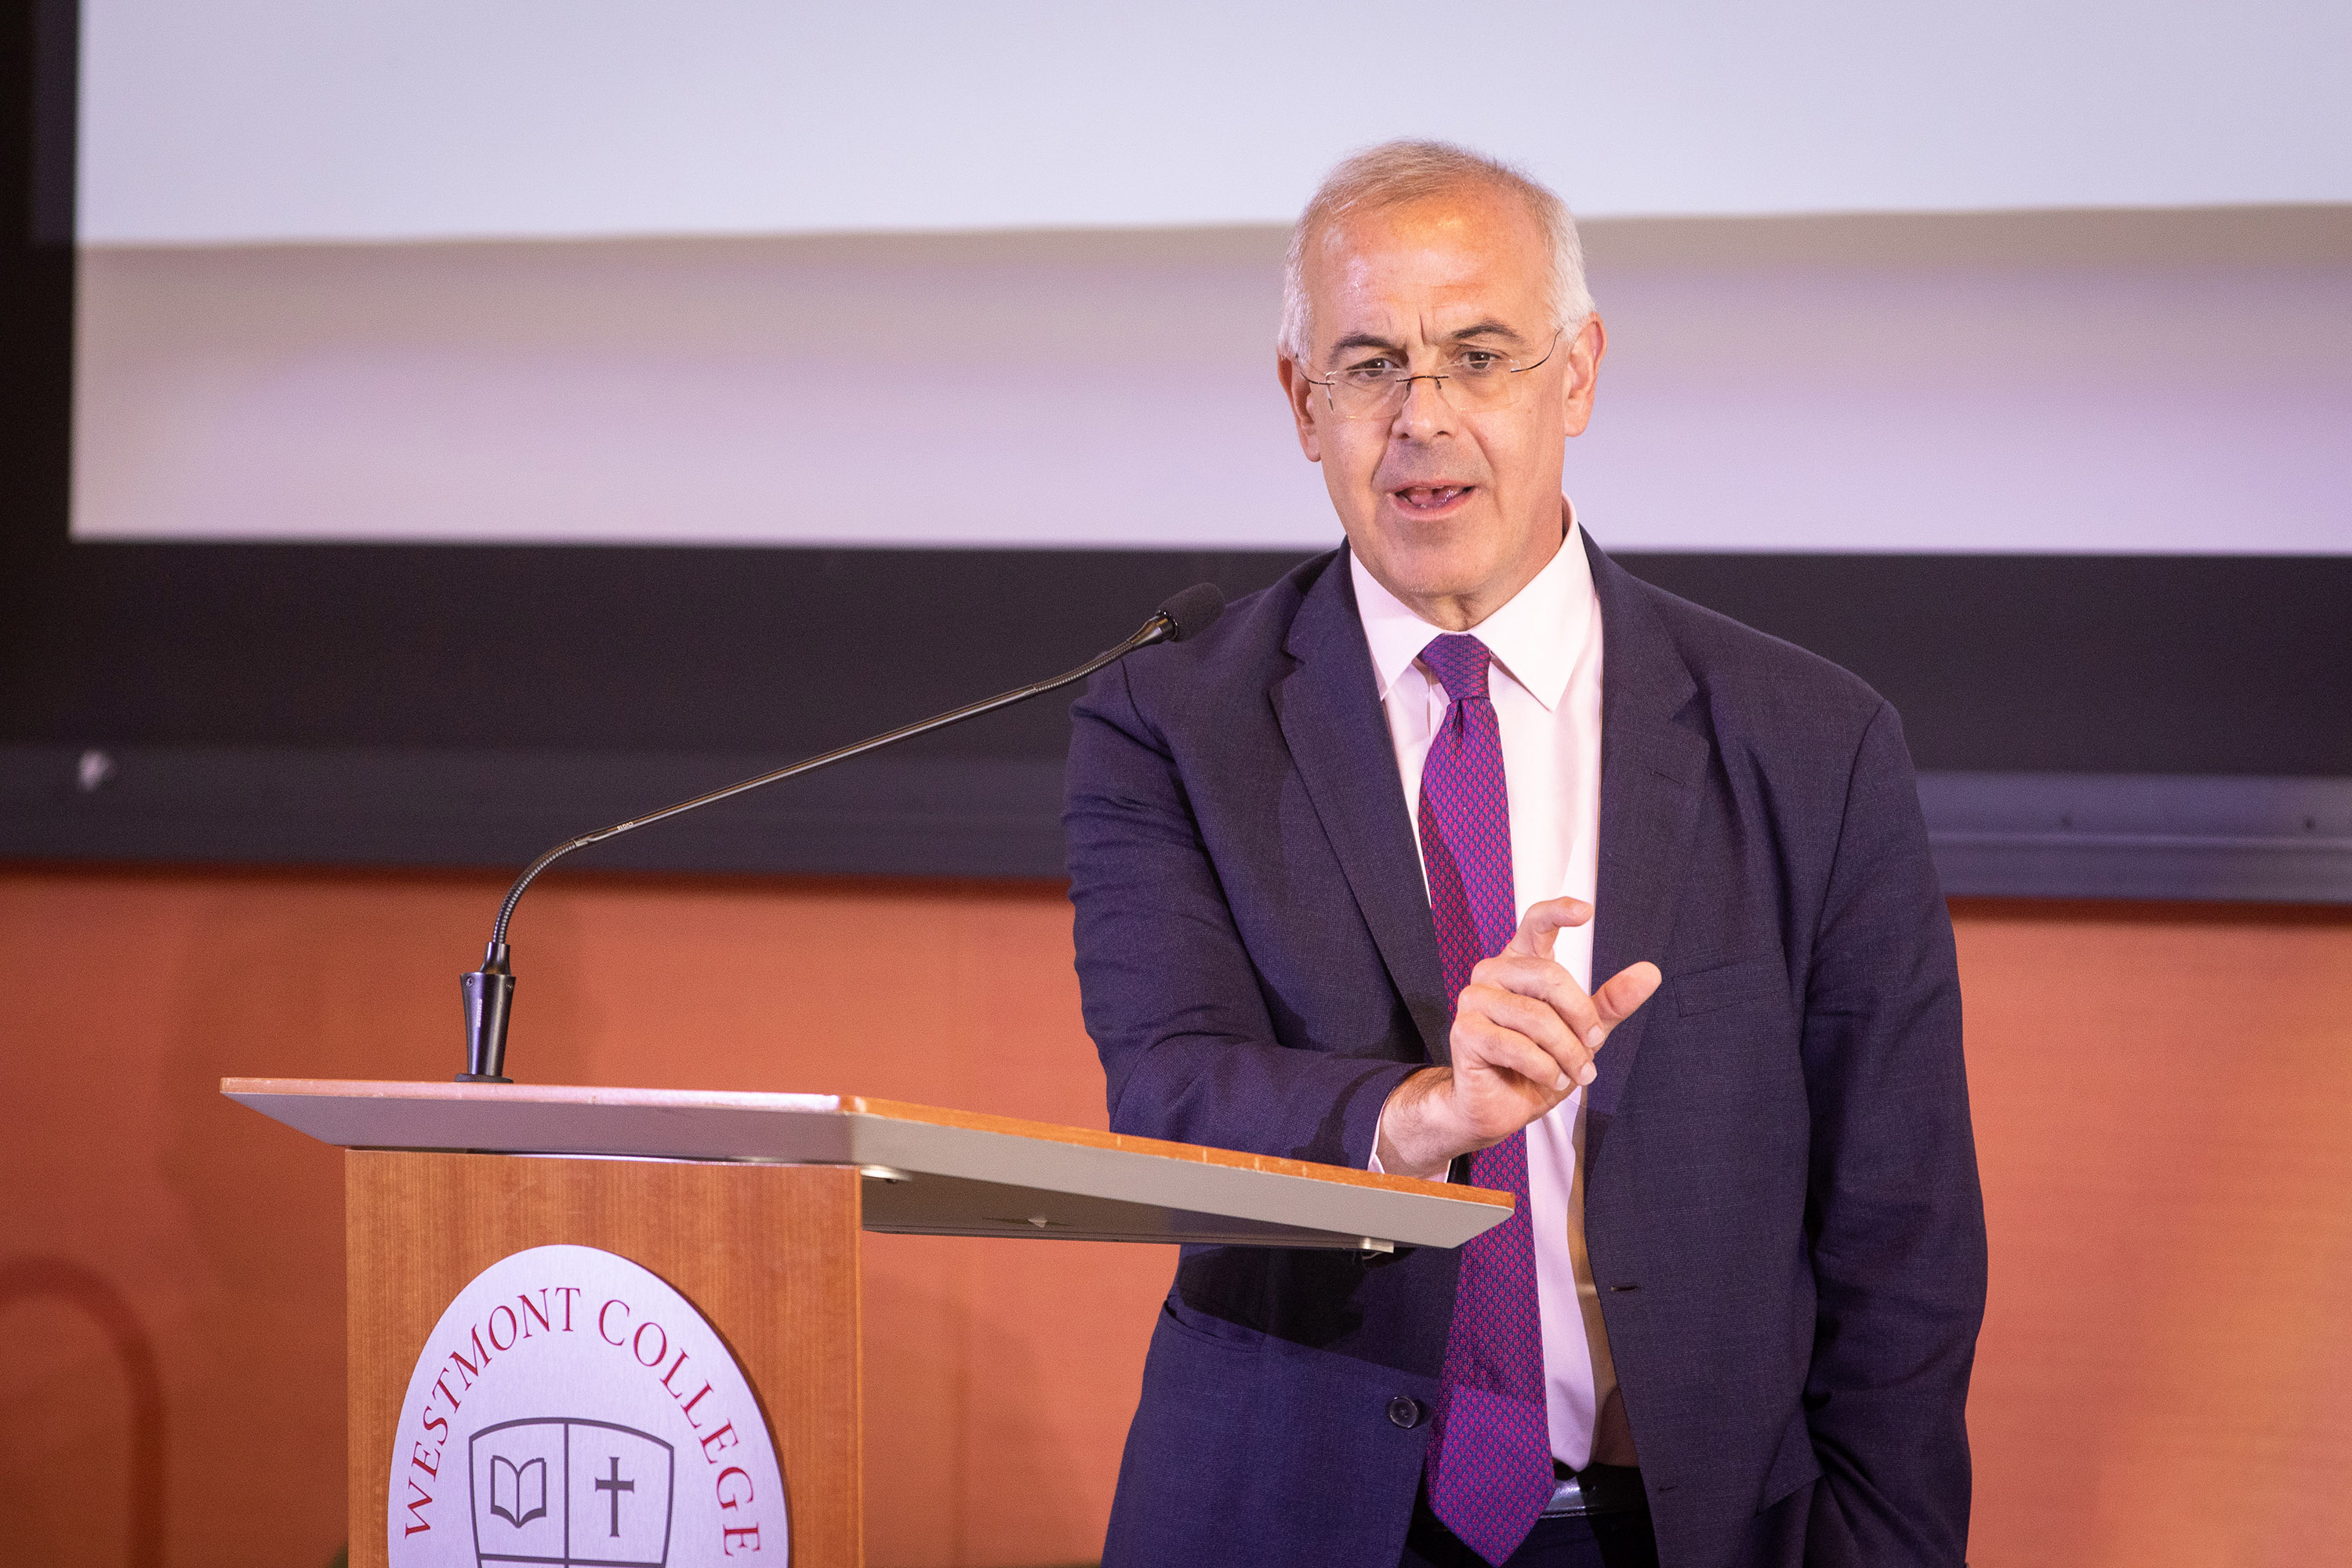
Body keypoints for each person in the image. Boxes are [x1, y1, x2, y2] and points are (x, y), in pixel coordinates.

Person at [1063, 140, 1985, 1568]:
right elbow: (1171, 1092)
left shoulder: (1812, 740)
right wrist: (1424, 1113)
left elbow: (1900, 1225)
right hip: (1292, 1516)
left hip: (1684, 1530)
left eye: (1479, 356)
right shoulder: (1171, 719)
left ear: (1579, 375)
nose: (1422, 418)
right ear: (1304, 405)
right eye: (1370, 366)